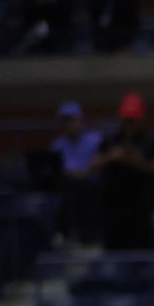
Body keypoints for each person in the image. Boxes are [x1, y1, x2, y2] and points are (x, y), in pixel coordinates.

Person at [96, 92, 154, 250]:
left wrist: (137, 162)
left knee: (141, 252)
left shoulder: (151, 141)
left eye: (132, 120)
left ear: (141, 118)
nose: (129, 123)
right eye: (126, 119)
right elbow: (92, 165)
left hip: (142, 207)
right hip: (113, 207)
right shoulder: (111, 140)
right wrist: (111, 157)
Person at [51, 101, 102, 247]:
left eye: (72, 120)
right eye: (65, 121)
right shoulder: (58, 145)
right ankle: (65, 235)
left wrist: (83, 174)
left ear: (80, 120)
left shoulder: (95, 140)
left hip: (92, 187)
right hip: (67, 187)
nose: (69, 125)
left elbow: (97, 166)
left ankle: (89, 236)